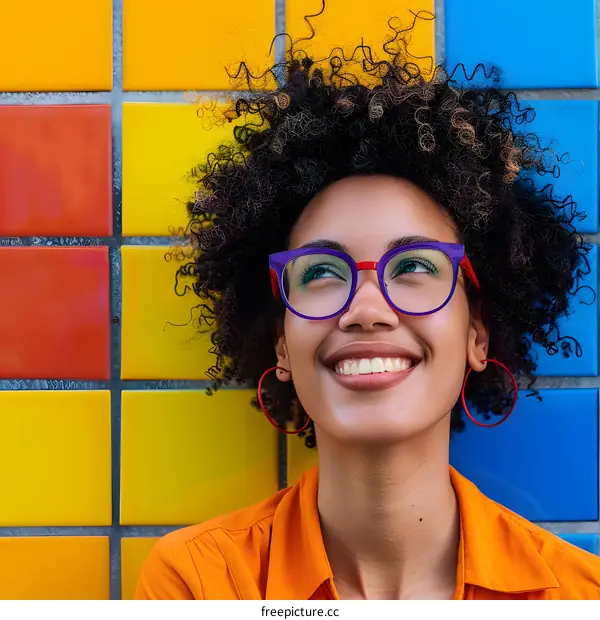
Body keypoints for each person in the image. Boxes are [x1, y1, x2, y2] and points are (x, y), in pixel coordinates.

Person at [135, 19, 600, 600]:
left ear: (478, 335)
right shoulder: (202, 582)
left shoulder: (579, 596)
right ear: (281, 341)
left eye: (414, 266)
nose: (367, 311)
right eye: (323, 272)